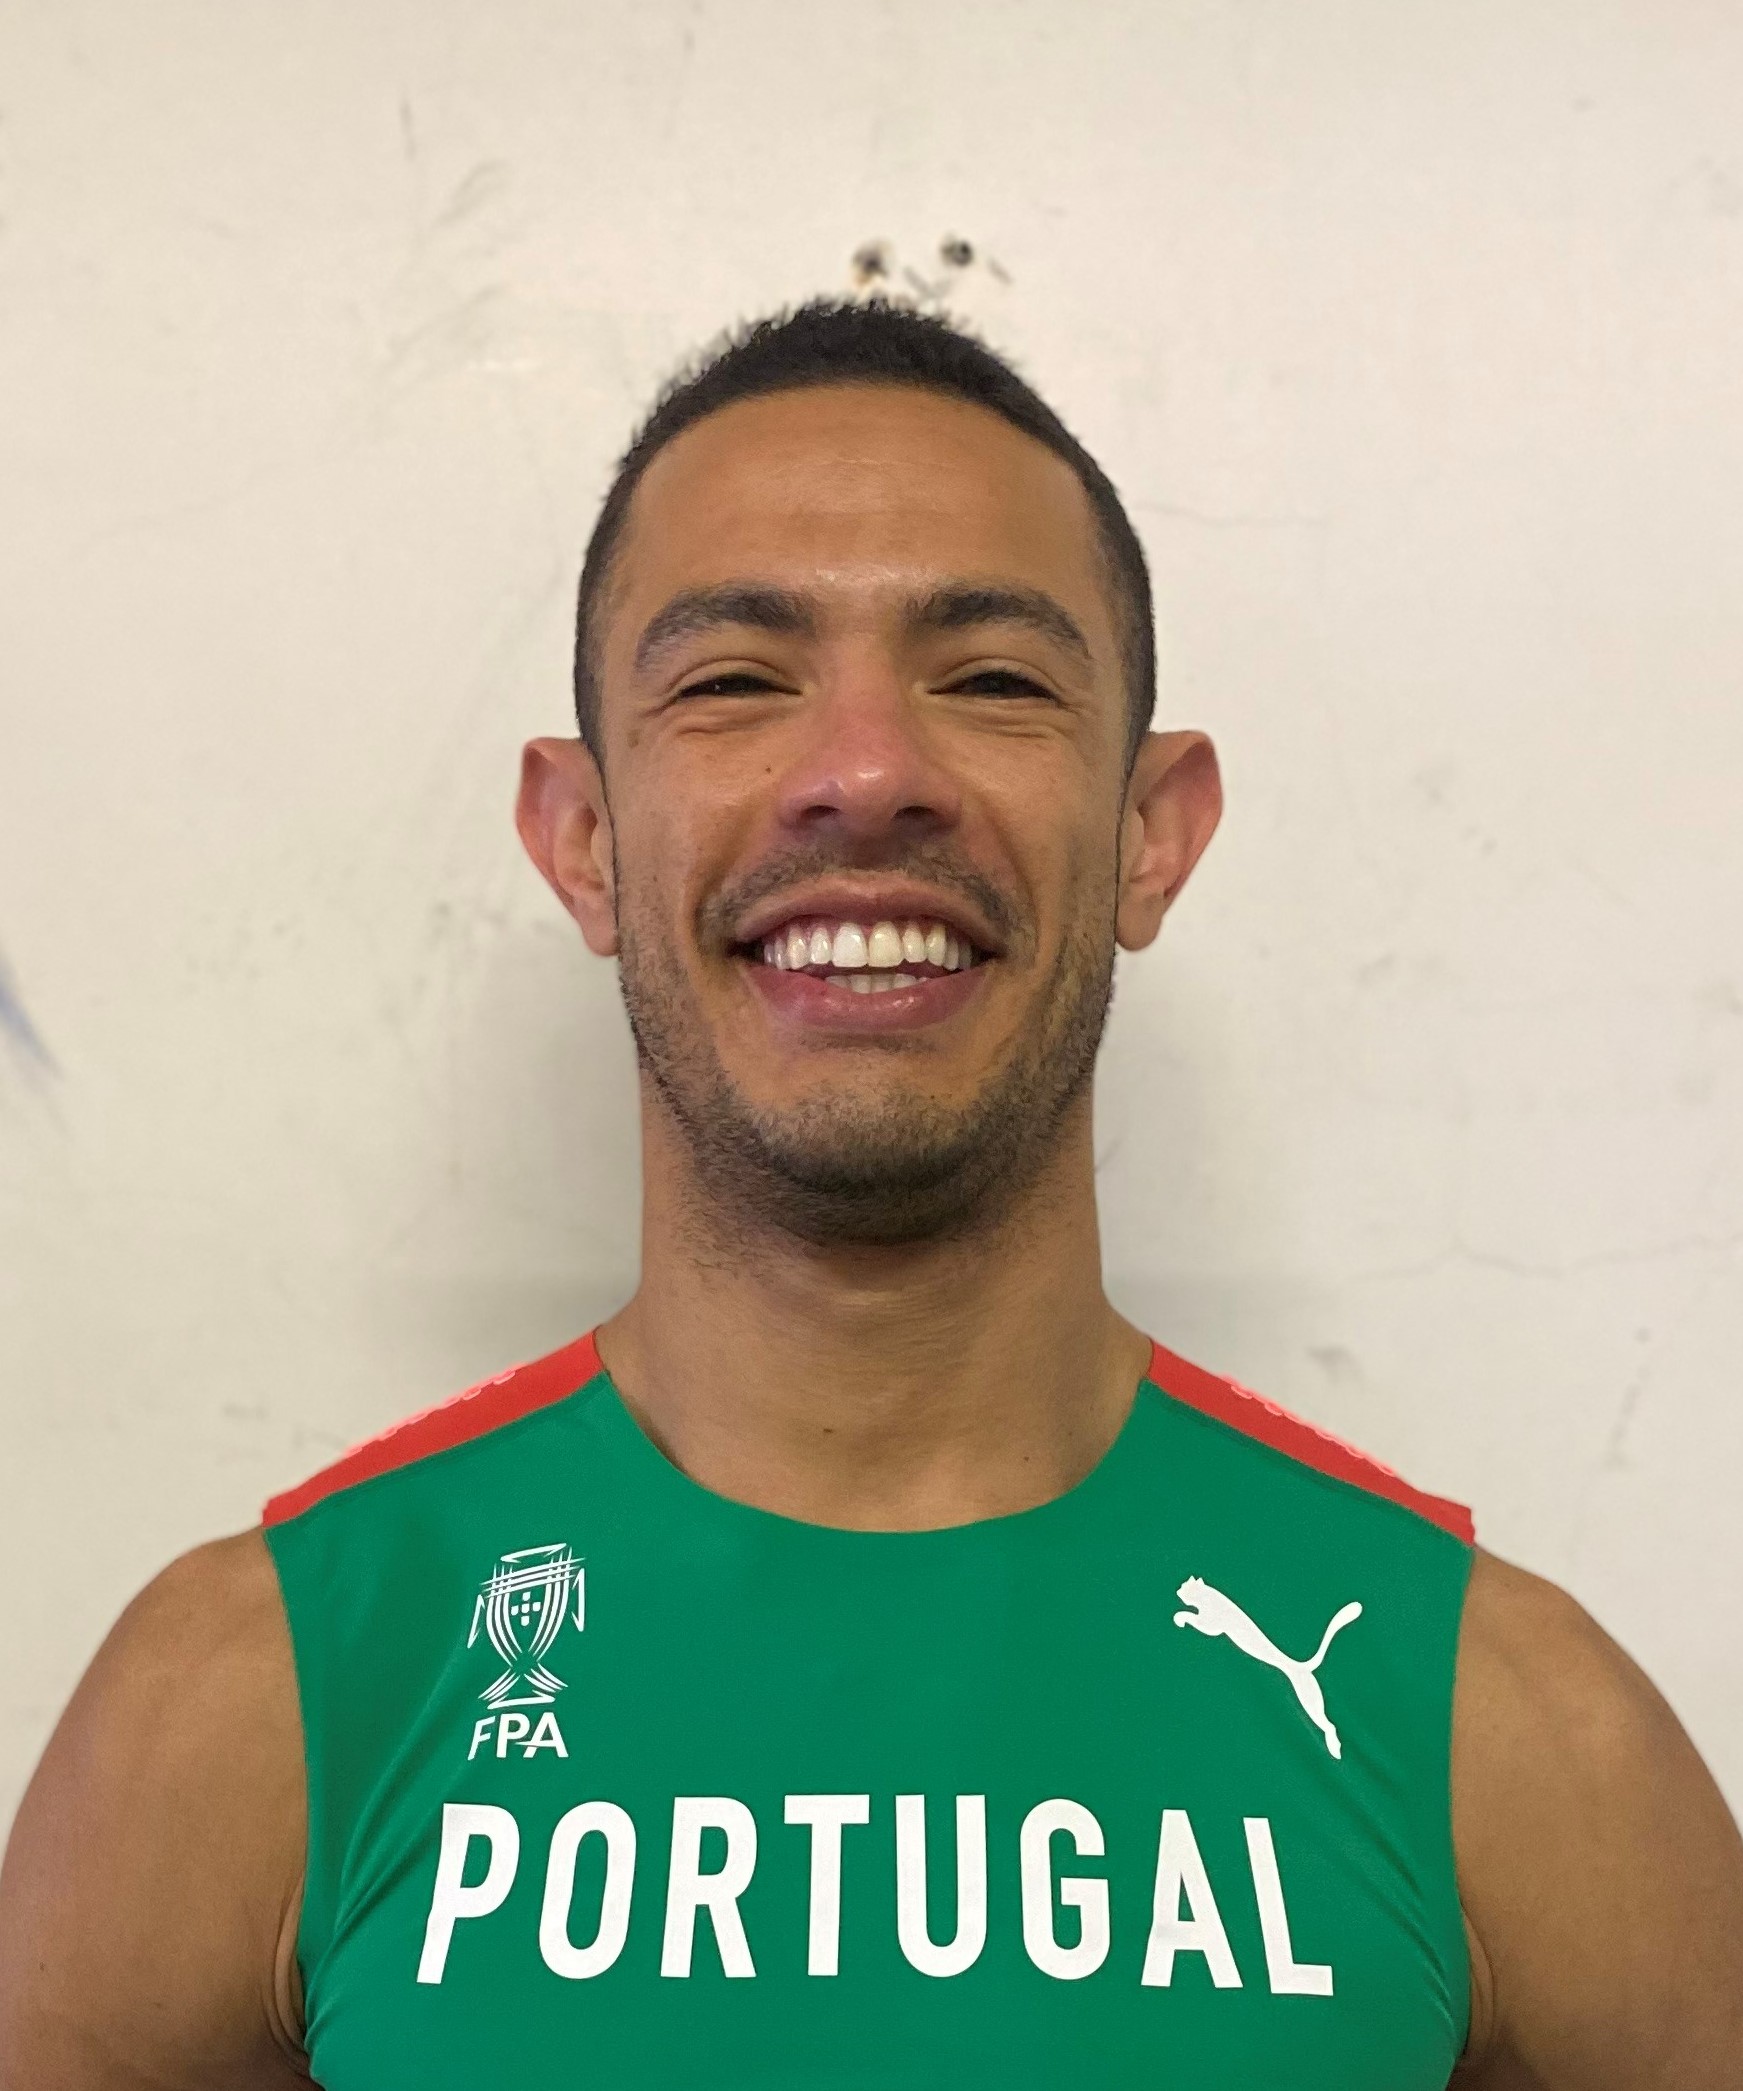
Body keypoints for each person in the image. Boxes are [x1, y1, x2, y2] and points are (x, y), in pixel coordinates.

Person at [1, 300, 1739, 2090]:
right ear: (582, 840)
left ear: (1150, 832)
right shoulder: (251, 1706)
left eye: (992, 680)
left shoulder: (1508, 1736)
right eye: (733, 682)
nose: (866, 774)